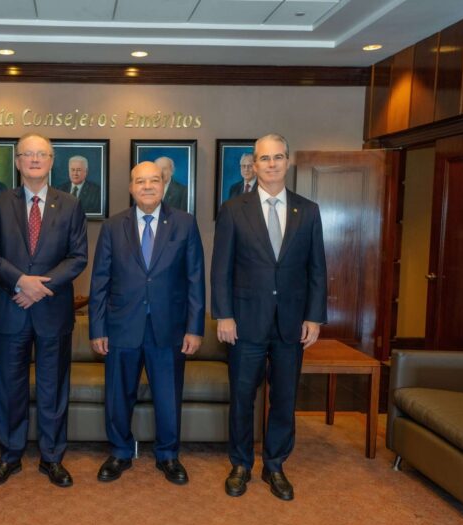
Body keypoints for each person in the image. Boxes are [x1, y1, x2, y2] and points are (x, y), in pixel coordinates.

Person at [211, 133, 327, 501]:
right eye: (265, 158)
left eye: (278, 157)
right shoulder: (234, 209)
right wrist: (223, 315)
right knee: (243, 396)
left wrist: (314, 317)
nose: (272, 164)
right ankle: (241, 464)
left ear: (287, 162)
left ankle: (275, 464)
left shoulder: (308, 210)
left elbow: (317, 269)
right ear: (254, 164)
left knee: (285, 397)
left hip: (291, 323)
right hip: (245, 320)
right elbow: (221, 268)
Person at [0, 132, 88, 488]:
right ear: (18, 161)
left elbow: (78, 257)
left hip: (52, 311)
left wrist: (39, 288)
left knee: (53, 388)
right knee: (10, 388)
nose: (35, 159)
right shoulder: (0, 203)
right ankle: (9, 455)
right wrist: (20, 281)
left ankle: (52, 457)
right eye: (28, 154)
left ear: (52, 161)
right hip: (11, 308)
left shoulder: (70, 204)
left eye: (42, 154)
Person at [89, 161, 204, 485]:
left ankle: (168, 455)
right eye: (141, 181)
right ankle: (120, 452)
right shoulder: (113, 226)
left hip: (169, 327)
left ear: (164, 185)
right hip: (121, 325)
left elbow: (195, 279)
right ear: (131, 187)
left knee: (168, 397)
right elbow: (99, 281)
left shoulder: (185, 223)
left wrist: (195, 327)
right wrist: (97, 328)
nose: (148, 186)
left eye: (154, 180)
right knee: (118, 395)